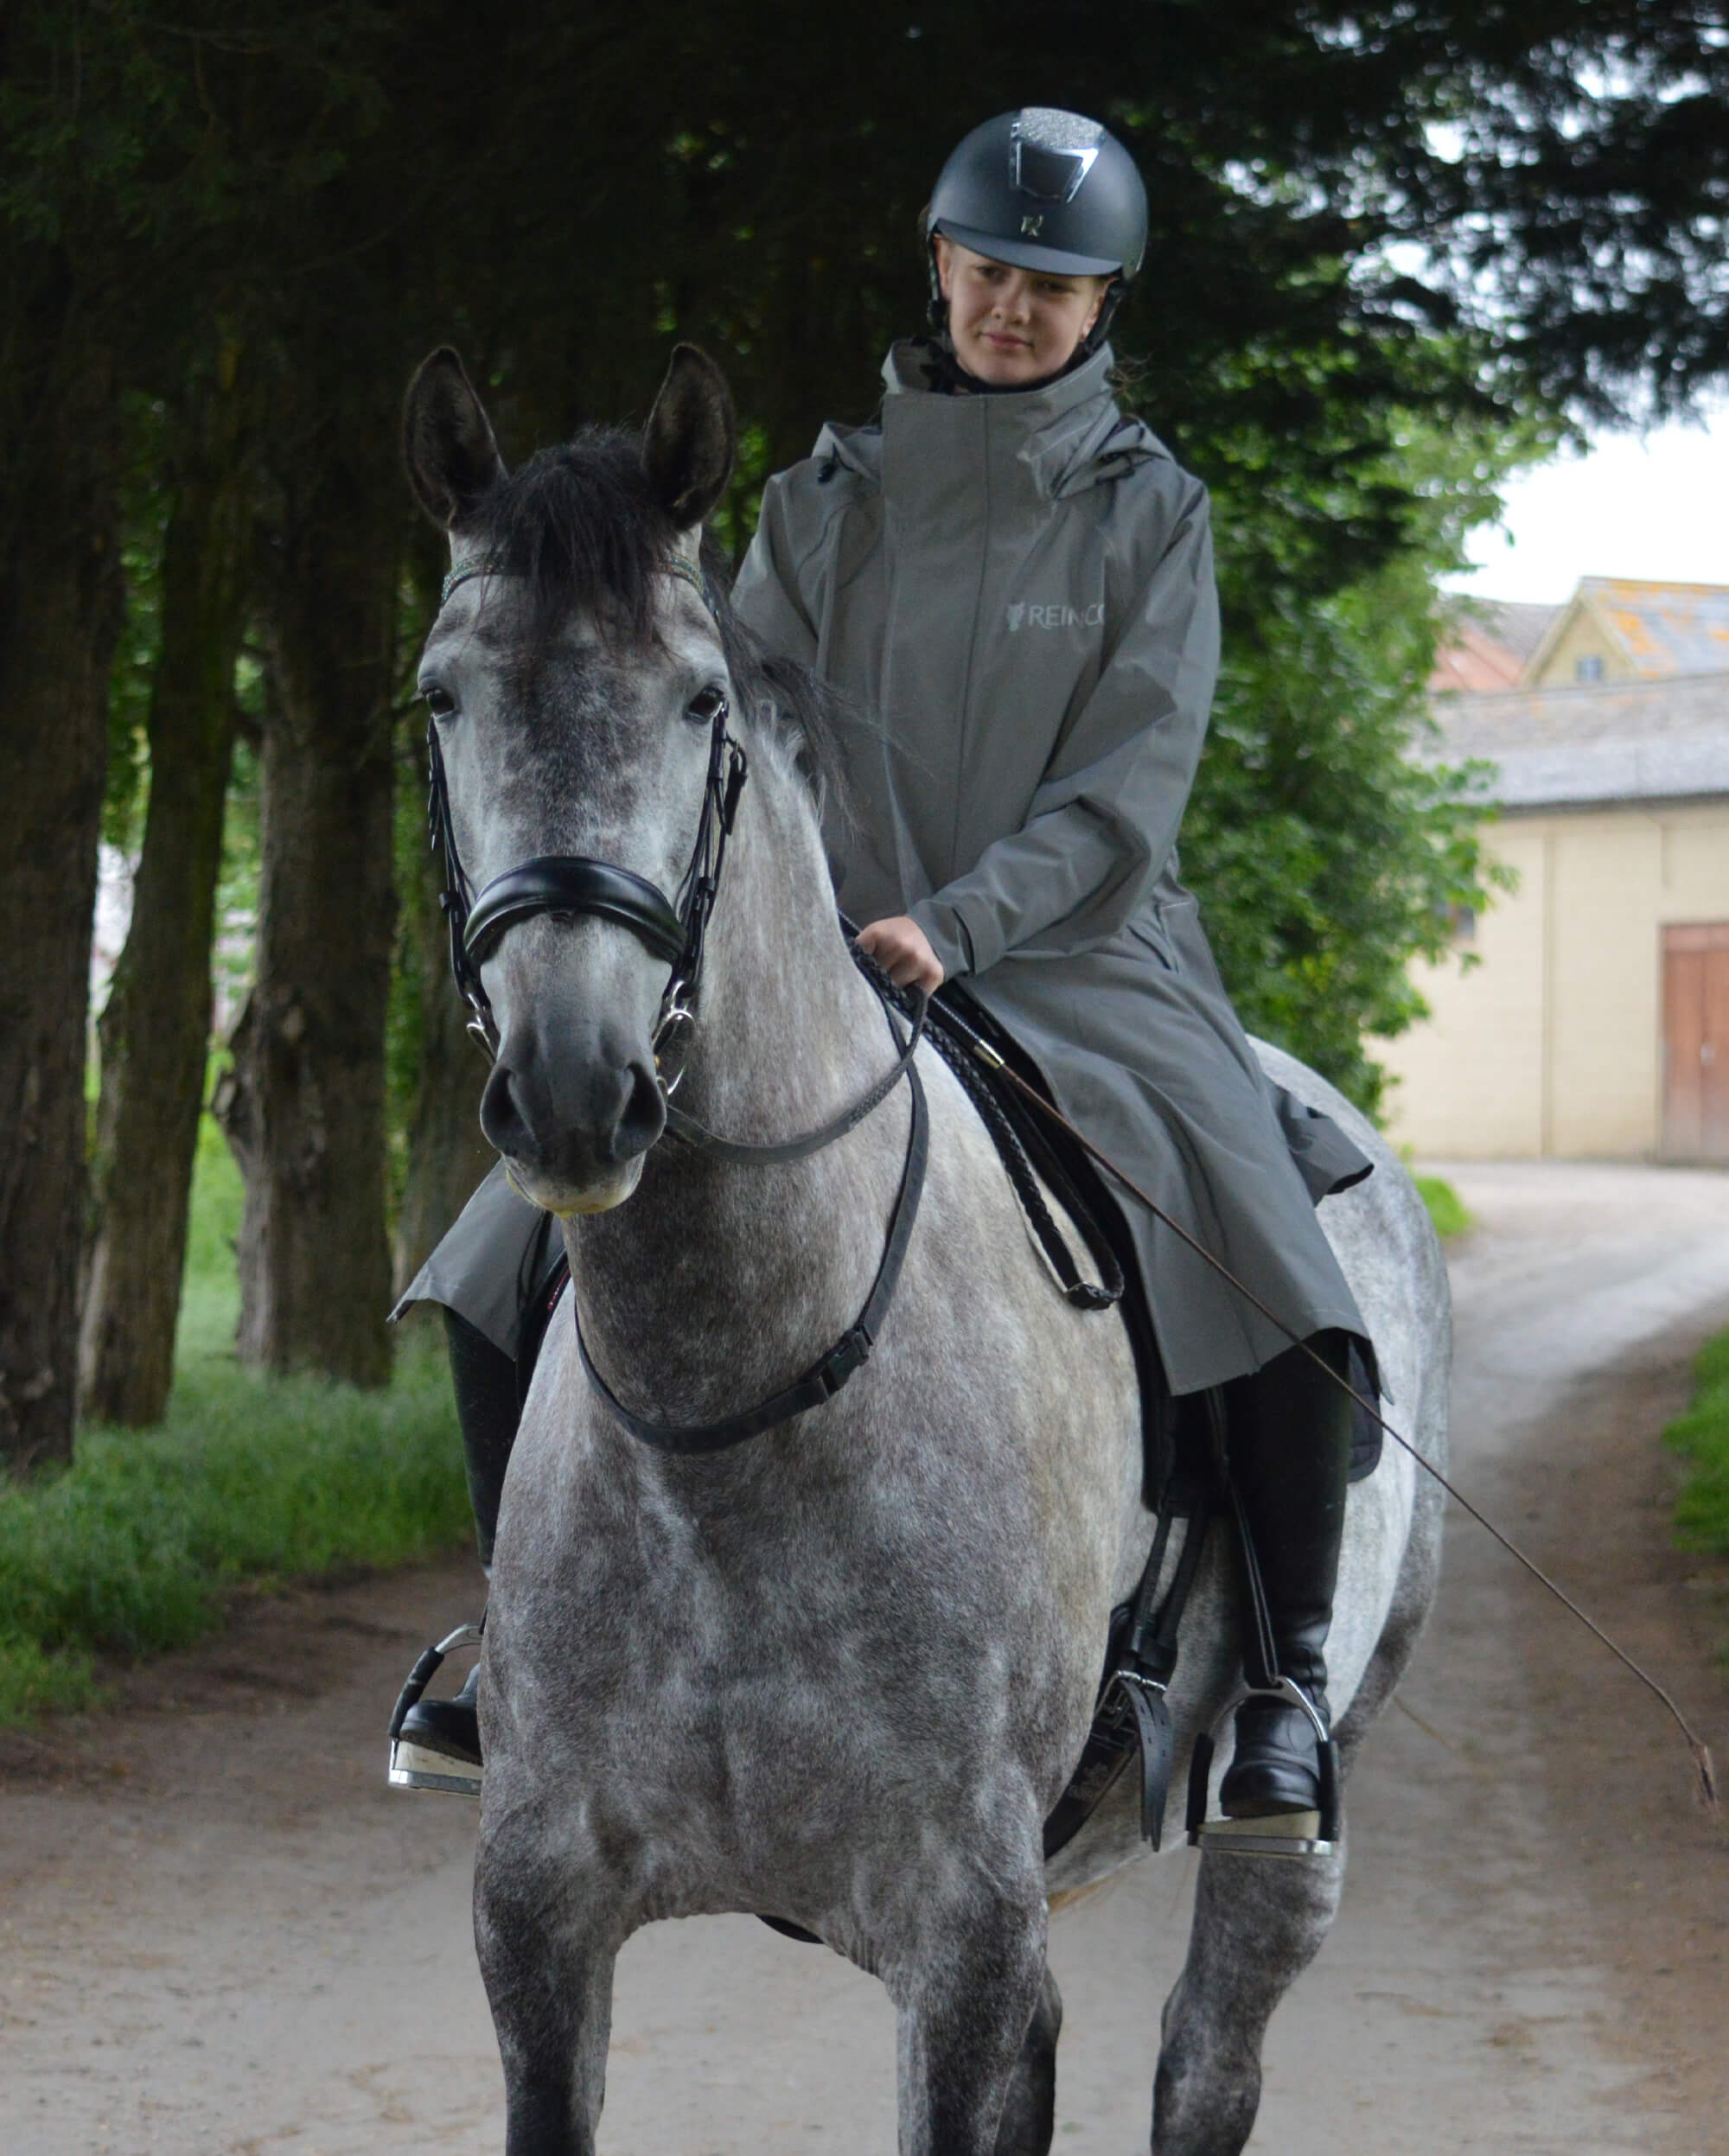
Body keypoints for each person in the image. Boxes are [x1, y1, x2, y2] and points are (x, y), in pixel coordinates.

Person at [395, 107, 1374, 1827]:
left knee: (1267, 1252)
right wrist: (799, 923)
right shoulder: (817, 502)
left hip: (1078, 952)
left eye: (1052, 286)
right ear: (939, 265)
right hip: (837, 945)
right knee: (493, 1255)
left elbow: (1128, 786)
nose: (1013, 304)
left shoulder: (1157, 517)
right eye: (990, 269)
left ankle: (1285, 1677)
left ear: (1103, 305)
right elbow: (737, 744)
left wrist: (968, 920)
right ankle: (524, 1641)